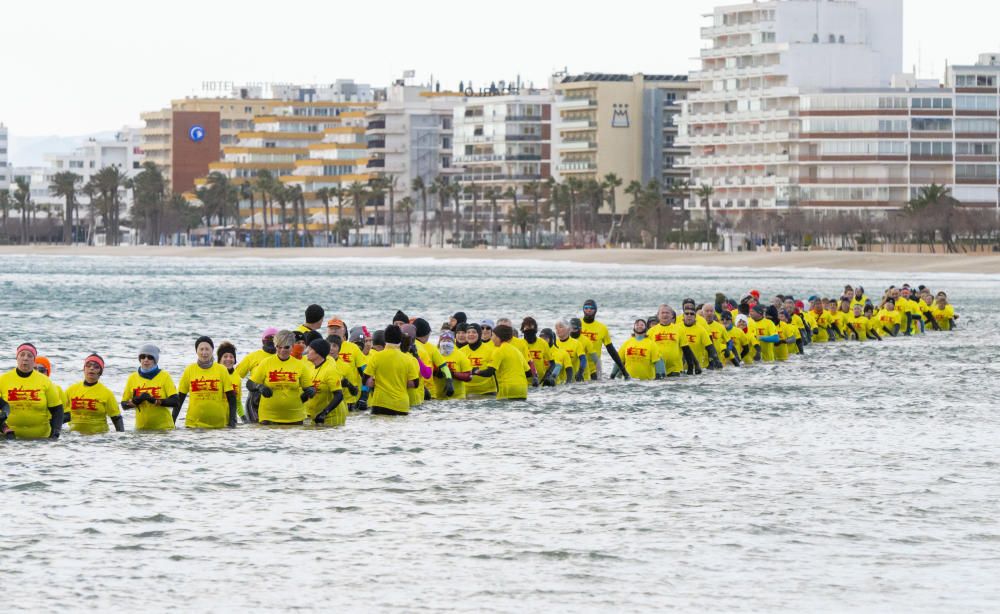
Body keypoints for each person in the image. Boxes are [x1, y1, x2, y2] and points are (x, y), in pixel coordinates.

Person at [247, 330, 316, 425]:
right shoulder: (266, 363)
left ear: (292, 346)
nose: (282, 350)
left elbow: (309, 388)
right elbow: (249, 383)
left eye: (286, 347)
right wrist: (260, 387)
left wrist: (311, 391)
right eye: (278, 347)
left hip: (295, 418)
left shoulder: (300, 365)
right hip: (268, 418)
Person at [0, 343, 65, 439]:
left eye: (30, 356)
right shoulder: (3, 380)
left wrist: (55, 435)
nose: (25, 358)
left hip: (40, 440)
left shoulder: (45, 381)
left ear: (34, 361)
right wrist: (4, 428)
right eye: (22, 355)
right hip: (10, 440)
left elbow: (57, 410)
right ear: (16, 358)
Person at [176, 336, 238, 429]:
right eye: (201, 349)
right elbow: (180, 399)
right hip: (193, 425)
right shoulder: (189, 370)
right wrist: (172, 422)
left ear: (212, 350)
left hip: (218, 426)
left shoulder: (221, 370)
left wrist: (232, 423)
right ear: (196, 351)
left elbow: (232, 399)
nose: (204, 353)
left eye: (207, 349)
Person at [121, 344, 179, 431]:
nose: (146, 360)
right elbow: (123, 405)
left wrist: (155, 401)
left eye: (150, 357)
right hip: (141, 430)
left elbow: (175, 401)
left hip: (164, 429)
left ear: (155, 360)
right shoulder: (132, 378)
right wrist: (136, 401)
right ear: (139, 359)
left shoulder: (165, 376)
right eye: (143, 356)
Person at [62, 353, 123, 435]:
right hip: (74, 438)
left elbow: (116, 418)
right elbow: (58, 413)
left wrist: (121, 438)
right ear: (84, 369)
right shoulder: (71, 390)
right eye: (88, 365)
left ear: (100, 372)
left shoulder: (107, 393)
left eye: (96, 366)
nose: (91, 368)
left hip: (98, 438)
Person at [365, 325, 420, 415]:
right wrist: (399, 381)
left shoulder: (376, 356)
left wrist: (378, 381)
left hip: (380, 403)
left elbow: (367, 381)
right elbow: (414, 384)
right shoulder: (408, 359)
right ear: (400, 340)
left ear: (385, 338)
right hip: (401, 405)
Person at [472, 324, 530, 400]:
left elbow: (489, 372)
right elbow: (529, 373)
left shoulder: (498, 351)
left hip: (507, 389)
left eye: (493, 335)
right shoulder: (516, 351)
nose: (491, 338)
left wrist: (476, 371)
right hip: (523, 390)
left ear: (498, 337)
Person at [234, 327, 279, 423]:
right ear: (263, 341)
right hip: (255, 398)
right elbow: (235, 376)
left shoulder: (283, 357)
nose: (271, 341)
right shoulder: (252, 357)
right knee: (255, 428)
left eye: (274, 338)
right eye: (269, 338)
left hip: (275, 398)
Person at [579, 299, 629, 380]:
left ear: (595, 310)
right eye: (586, 307)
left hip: (594, 368)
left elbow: (611, 350)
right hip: (578, 366)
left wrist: (624, 371)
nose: (588, 310)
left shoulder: (602, 328)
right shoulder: (577, 323)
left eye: (591, 308)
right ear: (583, 309)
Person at [303, 338, 346, 426]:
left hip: (331, 418)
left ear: (318, 353)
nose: (307, 352)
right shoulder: (311, 368)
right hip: (315, 417)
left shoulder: (330, 370)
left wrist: (324, 413)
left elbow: (339, 395)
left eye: (310, 349)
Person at [414, 317, 454, 399]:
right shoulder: (431, 347)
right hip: (428, 392)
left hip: (415, 391)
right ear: (428, 333)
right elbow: (444, 367)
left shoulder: (408, 345)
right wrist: (449, 381)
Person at [433, 331, 472, 400]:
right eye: (443, 340)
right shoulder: (434, 353)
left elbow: (468, 376)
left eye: (449, 340)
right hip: (437, 396)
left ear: (453, 343)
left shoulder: (461, 355)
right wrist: (435, 373)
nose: (446, 343)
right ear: (439, 343)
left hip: (458, 396)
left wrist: (453, 374)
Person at [461, 323, 497, 396]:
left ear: (479, 334)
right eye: (468, 332)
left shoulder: (490, 350)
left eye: (474, 332)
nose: (471, 334)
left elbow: (494, 372)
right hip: (466, 393)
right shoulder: (461, 352)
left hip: (487, 392)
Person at [649, 305, 683, 376]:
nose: (665, 315)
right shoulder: (651, 331)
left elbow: (686, 349)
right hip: (657, 368)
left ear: (672, 316)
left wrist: (691, 366)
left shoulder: (679, 329)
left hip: (675, 369)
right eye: (663, 313)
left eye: (667, 313)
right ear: (658, 316)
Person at [216, 341, 246, 422]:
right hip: (217, 419)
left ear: (235, 360)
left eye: (231, 356)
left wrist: (244, 418)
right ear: (219, 360)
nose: (228, 359)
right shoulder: (214, 374)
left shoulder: (237, 377)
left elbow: (238, 402)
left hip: (231, 420)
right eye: (225, 356)